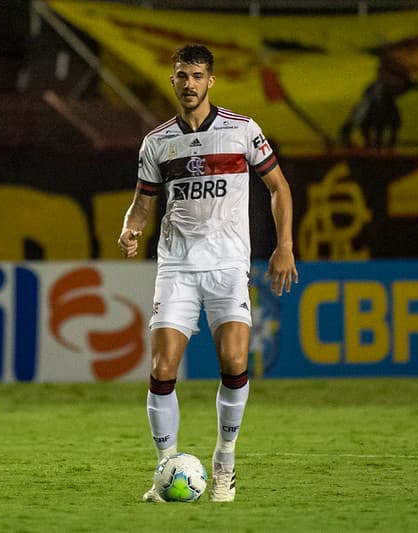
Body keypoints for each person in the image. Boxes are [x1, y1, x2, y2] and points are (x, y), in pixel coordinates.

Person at [118, 44, 298, 503]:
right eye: (182, 75)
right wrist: (131, 227)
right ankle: (165, 471)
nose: (189, 83)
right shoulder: (157, 142)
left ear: (210, 81)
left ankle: (225, 464)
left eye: (198, 75)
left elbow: (278, 187)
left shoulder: (242, 131)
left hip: (228, 267)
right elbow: (144, 200)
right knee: (162, 368)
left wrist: (284, 246)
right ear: (173, 80)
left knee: (235, 363)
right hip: (177, 265)